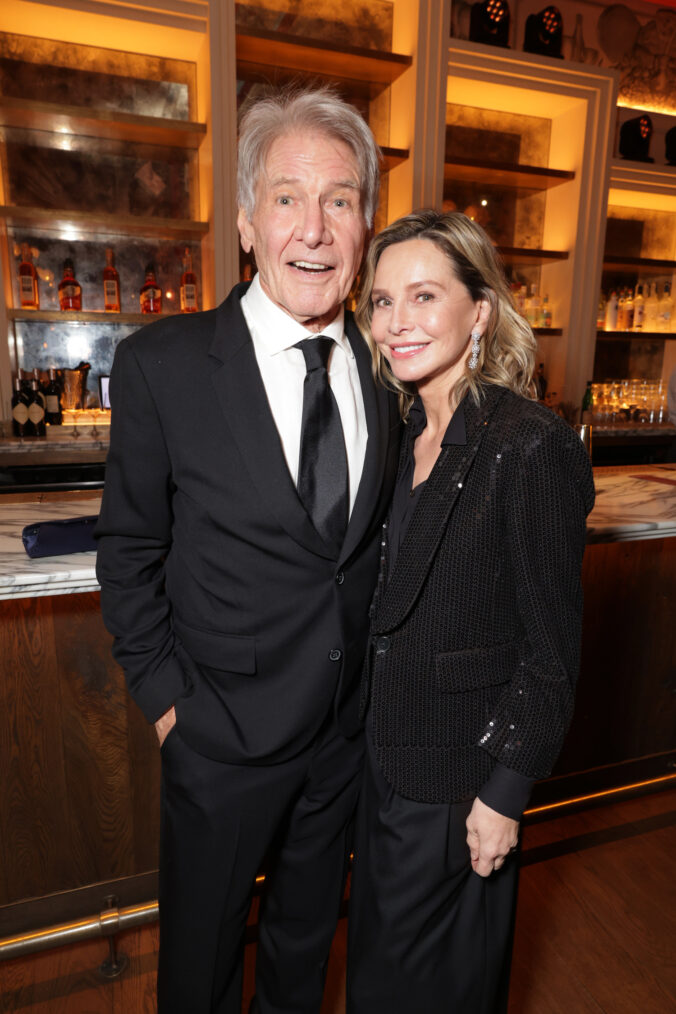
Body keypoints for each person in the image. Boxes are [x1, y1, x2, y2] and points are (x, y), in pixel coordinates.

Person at [95, 87, 400, 1014]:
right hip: (218, 741)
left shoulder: (394, 372)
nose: (313, 228)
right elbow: (128, 552)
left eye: (340, 199)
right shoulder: (165, 366)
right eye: (287, 197)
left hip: (342, 744)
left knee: (304, 960)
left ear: (365, 224)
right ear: (244, 222)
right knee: (199, 970)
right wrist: (170, 712)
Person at [346, 209, 595, 1013]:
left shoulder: (528, 444)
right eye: (382, 301)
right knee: (383, 981)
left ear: (479, 311)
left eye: (423, 296)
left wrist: (505, 795)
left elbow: (551, 652)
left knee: (442, 991)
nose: (396, 322)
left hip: (463, 782)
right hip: (386, 764)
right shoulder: (405, 430)